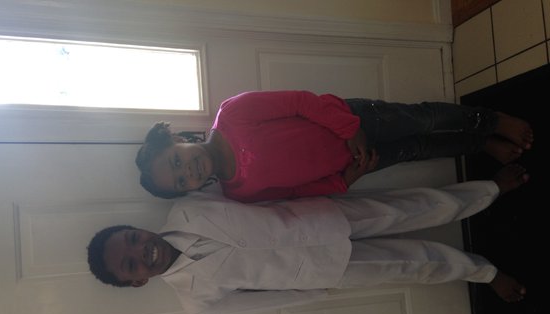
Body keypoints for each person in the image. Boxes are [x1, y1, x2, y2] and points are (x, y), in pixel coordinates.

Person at [88, 164, 528, 314]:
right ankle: (483, 272)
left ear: (136, 228)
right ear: (138, 281)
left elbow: (247, 184)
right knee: (412, 263)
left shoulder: (188, 205)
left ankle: (488, 190)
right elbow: (262, 303)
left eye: (132, 239)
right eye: (131, 264)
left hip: (319, 216)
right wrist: (315, 290)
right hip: (324, 270)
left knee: (411, 207)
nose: (141, 250)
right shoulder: (196, 302)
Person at [134, 90, 533, 203]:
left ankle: (490, 120)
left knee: (422, 119)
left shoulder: (232, 114)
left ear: (179, 141)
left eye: (176, 162)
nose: (188, 172)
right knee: (418, 149)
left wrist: (348, 128)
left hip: (354, 120)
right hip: (355, 163)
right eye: (181, 181)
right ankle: (482, 144)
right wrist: (345, 180)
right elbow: (296, 192)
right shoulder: (239, 193)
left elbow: (300, 102)